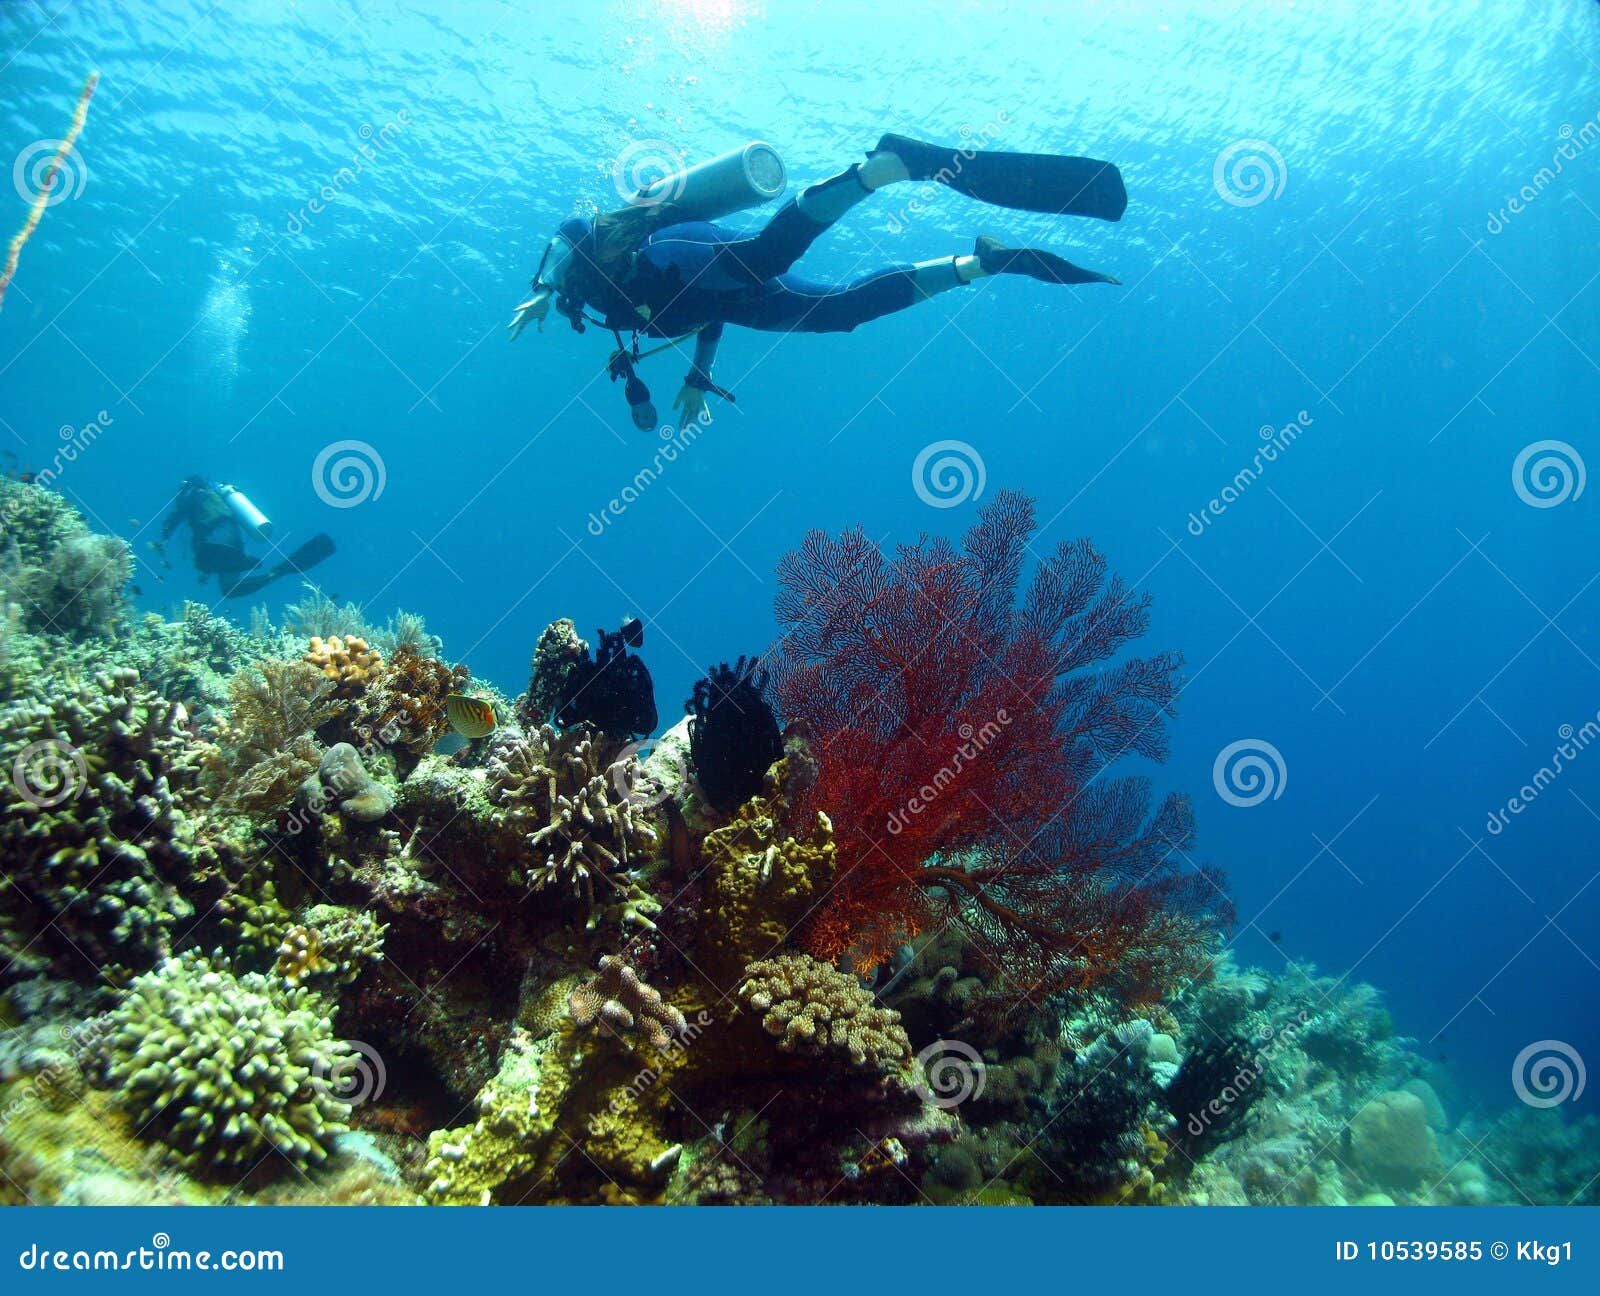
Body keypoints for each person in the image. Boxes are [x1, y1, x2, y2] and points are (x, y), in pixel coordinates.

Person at [509, 133, 1127, 427]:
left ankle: (876, 171)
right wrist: (700, 376)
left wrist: (543, 289)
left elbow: (583, 238)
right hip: (727, 297)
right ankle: (980, 262)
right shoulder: (604, 305)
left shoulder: (629, 257)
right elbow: (704, 314)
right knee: (843, 314)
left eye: (565, 271)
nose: (560, 281)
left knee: (764, 257)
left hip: (692, 259)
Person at [155, 477, 334, 598]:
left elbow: (177, 515)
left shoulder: (194, 493)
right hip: (233, 546)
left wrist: (164, 536)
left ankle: (277, 573)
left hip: (214, 546)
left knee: (227, 589)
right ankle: (277, 572)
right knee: (230, 589)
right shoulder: (220, 498)